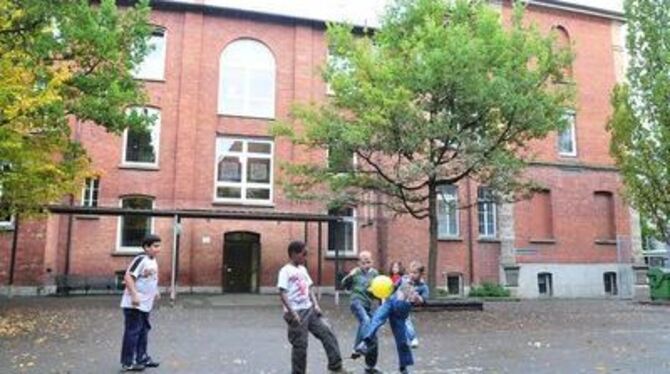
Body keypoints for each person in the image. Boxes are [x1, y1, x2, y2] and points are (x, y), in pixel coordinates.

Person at [278, 240, 351, 374]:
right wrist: (292, 312)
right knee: (300, 346)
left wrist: (316, 305)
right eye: (303, 254)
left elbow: (309, 287)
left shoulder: (303, 269)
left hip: (310, 310)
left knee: (327, 333)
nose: (305, 257)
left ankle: (335, 366)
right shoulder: (285, 271)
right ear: (294, 253)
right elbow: (282, 293)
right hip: (296, 312)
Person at [353, 261, 429, 374]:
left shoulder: (423, 287)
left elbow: (424, 301)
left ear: (421, 274)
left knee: (402, 340)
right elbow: (392, 288)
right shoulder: (404, 279)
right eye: (411, 272)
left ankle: (404, 366)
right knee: (376, 320)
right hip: (389, 304)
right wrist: (375, 290)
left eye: (415, 273)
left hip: (401, 314)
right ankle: (365, 343)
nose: (412, 275)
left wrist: (418, 299)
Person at [120, 234, 162, 372]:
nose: (158, 249)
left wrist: (155, 290)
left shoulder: (153, 261)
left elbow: (151, 278)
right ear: (146, 247)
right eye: (155, 246)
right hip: (134, 305)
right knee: (133, 332)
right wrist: (134, 295)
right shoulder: (140, 259)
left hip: (145, 304)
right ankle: (127, 362)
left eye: (159, 246)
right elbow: (128, 276)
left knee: (143, 331)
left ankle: (141, 358)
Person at [340, 251, 382, 374]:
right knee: (366, 321)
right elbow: (344, 285)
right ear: (359, 263)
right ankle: (358, 347)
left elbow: (379, 291)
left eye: (368, 262)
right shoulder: (356, 272)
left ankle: (370, 366)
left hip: (368, 305)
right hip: (356, 302)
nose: (366, 265)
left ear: (372, 262)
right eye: (363, 263)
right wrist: (350, 276)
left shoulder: (375, 274)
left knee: (372, 333)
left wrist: (374, 292)